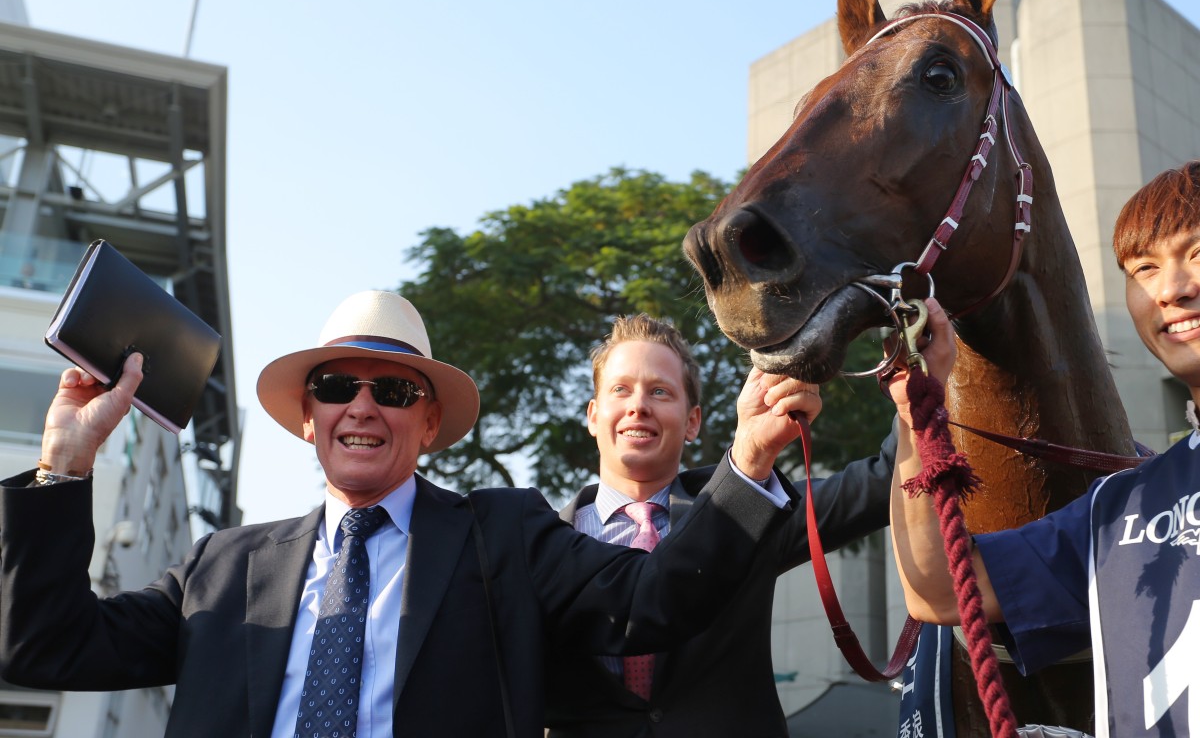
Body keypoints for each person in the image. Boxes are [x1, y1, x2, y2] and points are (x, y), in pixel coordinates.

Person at [0, 290, 804, 738]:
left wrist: (748, 464)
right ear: (307, 419)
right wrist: (64, 465)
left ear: (428, 424)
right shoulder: (224, 567)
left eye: (392, 390)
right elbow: (45, 648)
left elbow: (656, 598)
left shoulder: (506, 537)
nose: (362, 406)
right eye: (337, 387)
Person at [888, 161, 1200, 738]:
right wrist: (916, 420)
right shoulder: (1122, 506)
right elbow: (942, 592)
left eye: (1198, 253)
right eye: (1144, 268)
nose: (1172, 289)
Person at [544, 313, 898, 737]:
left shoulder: (753, 503)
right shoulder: (538, 544)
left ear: (693, 421)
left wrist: (913, 376)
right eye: (621, 389)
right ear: (593, 415)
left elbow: (888, 480)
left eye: (660, 391)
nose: (638, 405)